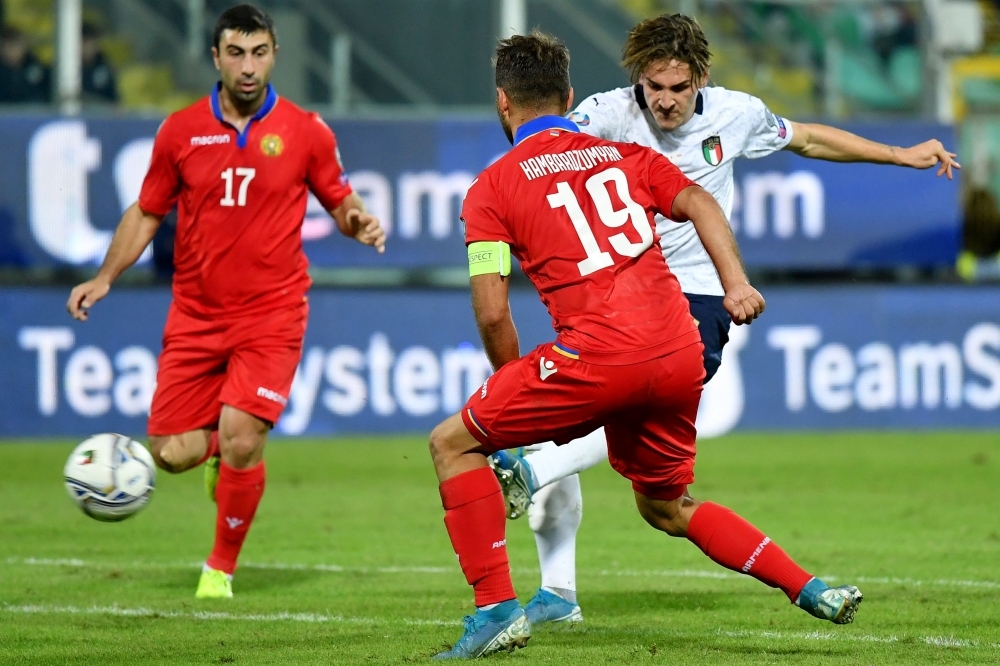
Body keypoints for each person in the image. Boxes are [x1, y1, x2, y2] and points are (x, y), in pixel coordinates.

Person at [489, 13, 960, 626]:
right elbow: (537, 148)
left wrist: (899, 153)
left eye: (677, 89)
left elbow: (811, 139)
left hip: (696, 298)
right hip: (616, 296)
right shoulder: (604, 114)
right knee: (616, 446)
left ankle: (532, 469)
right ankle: (559, 591)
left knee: (611, 406)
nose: (663, 101)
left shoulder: (736, 113)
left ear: (701, 80)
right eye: (653, 87)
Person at [428, 30, 861, 659]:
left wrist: (509, 385)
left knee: (451, 442)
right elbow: (703, 202)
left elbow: (494, 313)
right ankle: (811, 587)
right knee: (664, 506)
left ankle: (496, 607)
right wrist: (735, 282)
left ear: (503, 102)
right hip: (680, 350)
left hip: (598, 355)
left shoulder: (492, 189)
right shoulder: (623, 156)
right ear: (568, 96)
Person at [67, 4, 384, 599]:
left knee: (244, 434)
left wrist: (357, 220)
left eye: (258, 52)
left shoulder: (305, 130)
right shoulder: (181, 131)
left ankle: (219, 569)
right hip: (196, 313)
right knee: (170, 453)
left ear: (274, 55)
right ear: (215, 57)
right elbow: (147, 211)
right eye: (235, 53)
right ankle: (217, 451)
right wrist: (105, 276)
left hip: (273, 311)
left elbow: (339, 198)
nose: (247, 66)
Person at [0, 25, 51, 104]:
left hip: (34, 113)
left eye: (16, 45)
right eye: (8, 46)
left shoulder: (37, 67)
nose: (12, 51)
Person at [81, 22, 118, 104]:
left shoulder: (105, 70)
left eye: (91, 43)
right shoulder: (61, 69)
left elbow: (113, 102)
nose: (86, 47)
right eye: (84, 42)